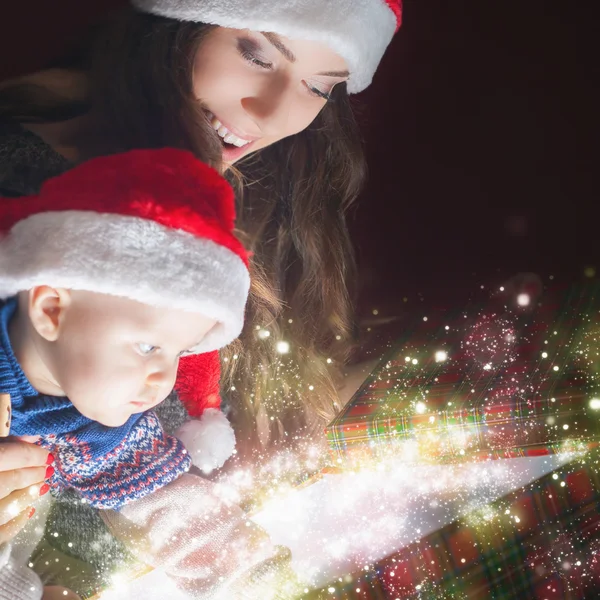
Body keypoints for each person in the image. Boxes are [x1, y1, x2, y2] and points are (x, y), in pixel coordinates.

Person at [0, 0, 403, 593]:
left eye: (319, 88)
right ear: (176, 24)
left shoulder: (231, 200)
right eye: (254, 53)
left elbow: (134, 465)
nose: (270, 113)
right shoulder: (30, 172)